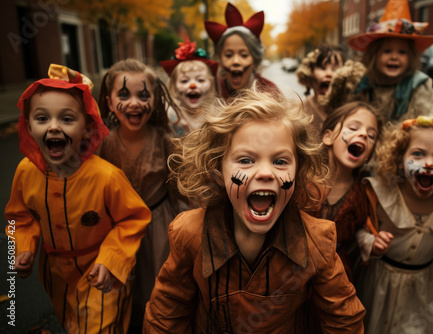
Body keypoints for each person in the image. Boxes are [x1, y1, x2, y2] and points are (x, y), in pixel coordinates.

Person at [143, 89, 365, 333]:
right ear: (218, 171)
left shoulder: (317, 241)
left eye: (280, 161)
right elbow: (165, 315)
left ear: (298, 172)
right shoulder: (190, 234)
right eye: (246, 160)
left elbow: (345, 320)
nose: (266, 173)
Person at [4, 64, 151, 333]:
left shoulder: (107, 177)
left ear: (87, 127)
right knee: (70, 323)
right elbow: (18, 217)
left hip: (100, 271)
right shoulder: (25, 172)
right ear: (27, 125)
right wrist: (21, 245)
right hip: (54, 273)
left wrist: (112, 258)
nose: (54, 127)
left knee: (98, 328)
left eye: (67, 119)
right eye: (42, 118)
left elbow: (133, 219)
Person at [355, 116, 433, 333]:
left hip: (422, 288)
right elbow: (360, 229)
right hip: (377, 282)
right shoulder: (383, 192)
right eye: (418, 154)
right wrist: (371, 242)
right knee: (369, 326)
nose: (430, 164)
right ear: (400, 158)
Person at [97, 58, 186, 331]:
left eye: (143, 95)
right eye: (124, 94)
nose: (134, 102)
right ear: (110, 102)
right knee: (124, 298)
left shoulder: (165, 141)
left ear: (155, 100)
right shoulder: (103, 145)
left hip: (160, 230)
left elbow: (181, 192)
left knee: (159, 292)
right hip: (118, 234)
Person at [324, 0, 433, 123]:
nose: (394, 57)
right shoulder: (363, 82)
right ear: (374, 55)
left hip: (407, 139)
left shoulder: (418, 85)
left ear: (411, 57)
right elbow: (344, 112)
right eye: (387, 51)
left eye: (402, 52)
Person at [315, 101, 382, 281]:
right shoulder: (302, 181)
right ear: (328, 137)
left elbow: (361, 228)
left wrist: (372, 243)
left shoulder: (364, 194)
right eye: (353, 128)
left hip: (337, 276)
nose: (363, 135)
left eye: (371, 135)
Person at [204, 3, 281, 99]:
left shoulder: (271, 93)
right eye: (228, 55)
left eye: (244, 55)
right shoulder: (209, 91)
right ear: (220, 58)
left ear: (255, 59)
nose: (236, 61)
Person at [161, 37, 218, 137]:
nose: (193, 85)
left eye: (200, 80)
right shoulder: (170, 116)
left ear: (211, 85)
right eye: (184, 81)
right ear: (174, 87)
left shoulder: (216, 115)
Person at [295, 44, 346, 129]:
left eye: (335, 69)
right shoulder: (300, 112)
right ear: (310, 73)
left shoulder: (351, 110)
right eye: (322, 68)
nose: (329, 74)